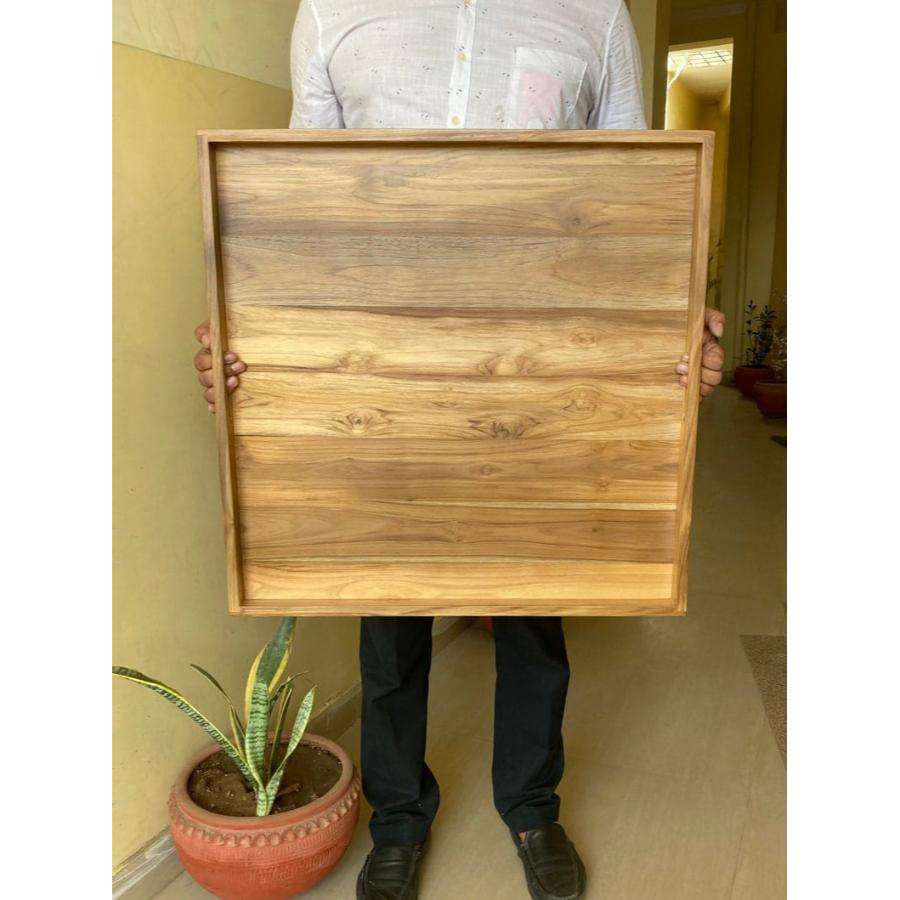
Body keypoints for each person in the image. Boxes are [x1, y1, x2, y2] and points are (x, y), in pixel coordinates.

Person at [193, 2, 726, 897]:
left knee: (538, 605)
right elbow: (299, 207)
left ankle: (532, 806)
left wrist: (669, 331)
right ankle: (399, 819)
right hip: (383, 366)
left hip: (538, 368)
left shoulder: (596, 14)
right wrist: (250, 335)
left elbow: (635, 204)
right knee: (387, 609)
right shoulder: (333, 11)